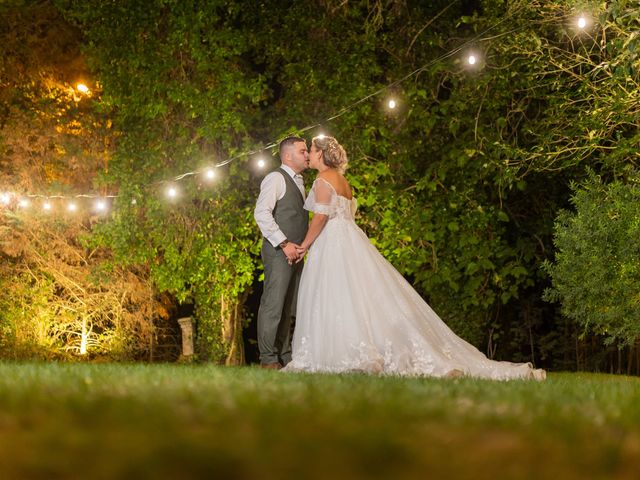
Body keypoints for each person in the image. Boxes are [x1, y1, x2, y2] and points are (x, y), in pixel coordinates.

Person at [282, 135, 545, 380]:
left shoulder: (322, 180)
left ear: (322, 156)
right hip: (351, 240)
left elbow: (321, 217)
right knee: (357, 295)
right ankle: (358, 349)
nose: (309, 156)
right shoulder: (344, 182)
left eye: (312, 151)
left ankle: (345, 352)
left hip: (333, 243)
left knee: (336, 295)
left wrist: (305, 244)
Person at [253, 136, 309, 369]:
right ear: (288, 156)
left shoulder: (300, 181)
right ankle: (268, 358)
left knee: (288, 307)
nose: (308, 154)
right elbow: (261, 213)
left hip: (296, 253)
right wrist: (284, 243)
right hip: (279, 252)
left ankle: (285, 355)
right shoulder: (276, 178)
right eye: (303, 151)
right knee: (273, 305)